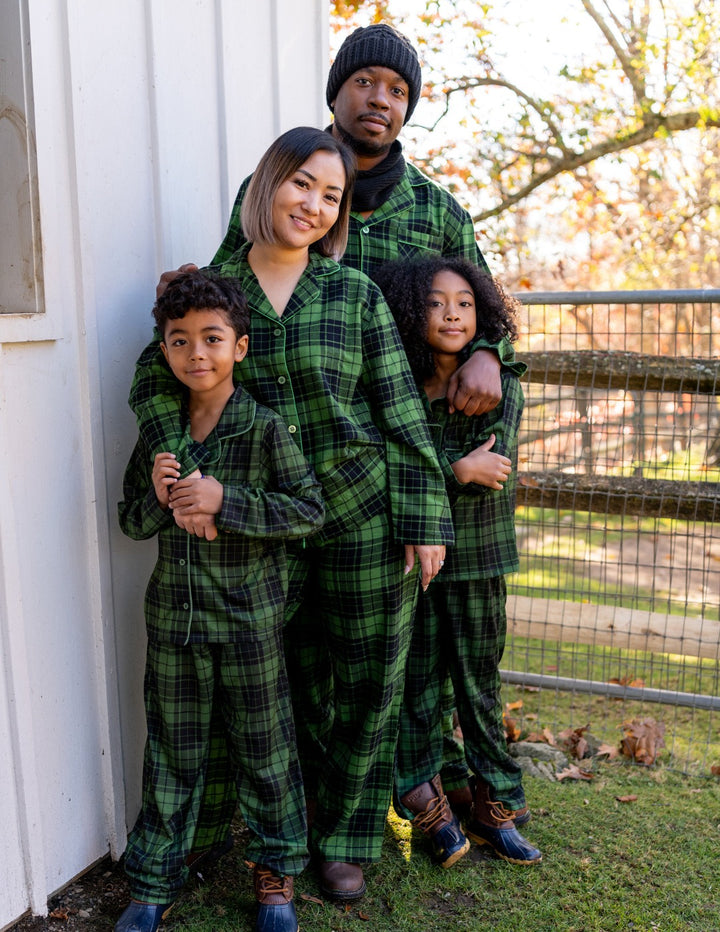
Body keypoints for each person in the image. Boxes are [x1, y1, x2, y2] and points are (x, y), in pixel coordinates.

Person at [128, 126, 454, 905]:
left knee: (369, 684)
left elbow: (400, 411)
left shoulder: (353, 294)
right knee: (288, 689)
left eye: (332, 195)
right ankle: (282, 832)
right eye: (302, 183)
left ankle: (345, 841)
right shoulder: (213, 287)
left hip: (359, 516)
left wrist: (423, 516)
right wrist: (180, 460)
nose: (314, 204)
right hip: (258, 525)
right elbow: (152, 379)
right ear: (265, 184)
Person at [117, 271, 326, 932]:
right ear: (165, 351)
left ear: (239, 347)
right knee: (171, 755)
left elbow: (308, 511)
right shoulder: (162, 435)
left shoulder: (264, 428)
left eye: (212, 338)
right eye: (180, 341)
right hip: (174, 624)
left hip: (247, 623)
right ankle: (154, 880)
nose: (196, 353)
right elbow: (131, 522)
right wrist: (159, 496)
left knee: (266, 752)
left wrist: (224, 501)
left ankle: (275, 876)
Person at [372, 255, 542, 868]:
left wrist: (445, 471)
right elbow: (390, 472)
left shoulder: (502, 386)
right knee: (417, 686)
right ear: (409, 311)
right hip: (414, 562)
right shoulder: (397, 387)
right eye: (436, 302)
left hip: (479, 559)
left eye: (466, 304)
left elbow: (493, 471)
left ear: (482, 314)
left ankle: (497, 802)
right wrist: (456, 468)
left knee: (478, 686)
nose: (452, 314)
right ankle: (428, 804)